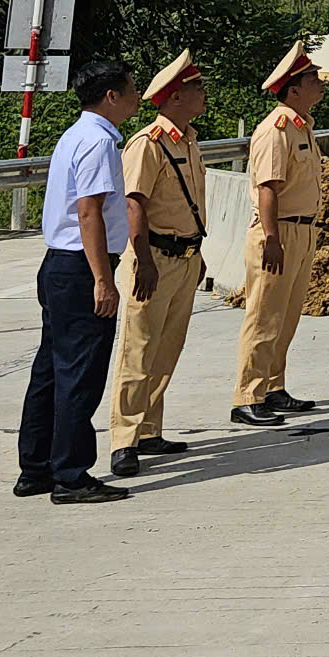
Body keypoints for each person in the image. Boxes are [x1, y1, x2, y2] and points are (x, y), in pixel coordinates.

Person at [15, 57, 142, 505]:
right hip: (81, 266)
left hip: (61, 264)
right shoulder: (98, 142)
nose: (137, 97)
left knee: (51, 368)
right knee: (79, 374)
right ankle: (71, 474)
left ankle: (36, 467)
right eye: (131, 89)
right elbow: (89, 212)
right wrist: (103, 279)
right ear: (111, 96)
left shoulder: (77, 134)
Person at [106, 50, 211, 478]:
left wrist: (198, 252)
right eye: (195, 88)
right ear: (172, 98)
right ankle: (123, 440)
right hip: (155, 257)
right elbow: (135, 204)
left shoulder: (188, 140)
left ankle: (150, 429)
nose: (203, 95)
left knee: (168, 348)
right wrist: (143, 260)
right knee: (139, 349)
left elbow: (190, 206)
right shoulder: (147, 144)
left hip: (185, 256)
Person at [231, 42, 329, 428]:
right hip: (279, 231)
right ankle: (246, 396)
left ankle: (273, 387)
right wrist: (272, 238)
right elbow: (269, 188)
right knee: (263, 317)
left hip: (301, 230)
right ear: (293, 89)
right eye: (313, 79)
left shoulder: (302, 126)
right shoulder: (276, 129)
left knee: (286, 317)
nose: (320, 85)